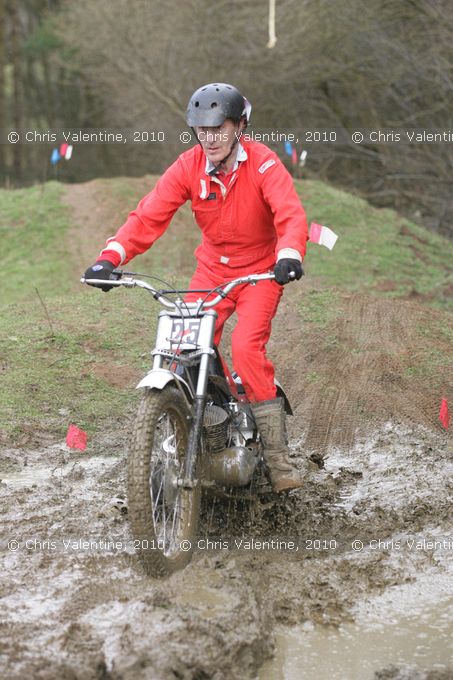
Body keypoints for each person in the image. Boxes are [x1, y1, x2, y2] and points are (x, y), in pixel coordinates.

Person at [84, 83, 308, 493]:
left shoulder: (264, 164)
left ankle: (278, 459)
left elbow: (290, 214)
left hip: (260, 273)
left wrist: (289, 254)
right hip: (212, 274)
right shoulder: (188, 166)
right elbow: (148, 215)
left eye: (218, 129)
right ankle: (190, 438)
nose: (210, 138)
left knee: (245, 349)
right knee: (182, 351)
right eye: (202, 130)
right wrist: (110, 257)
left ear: (239, 126)